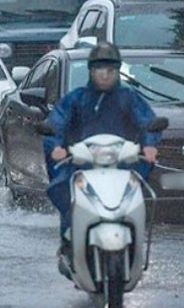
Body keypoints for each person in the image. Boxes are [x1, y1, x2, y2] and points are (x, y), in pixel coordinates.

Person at [42, 41, 160, 257]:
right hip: (81, 165)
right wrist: (57, 146)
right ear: (91, 71)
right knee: (63, 189)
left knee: (141, 193)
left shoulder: (129, 98)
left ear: (117, 71)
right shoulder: (77, 98)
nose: (105, 75)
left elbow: (147, 122)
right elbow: (57, 122)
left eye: (110, 70)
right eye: (99, 69)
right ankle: (69, 238)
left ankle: (134, 239)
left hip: (122, 165)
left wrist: (149, 145)